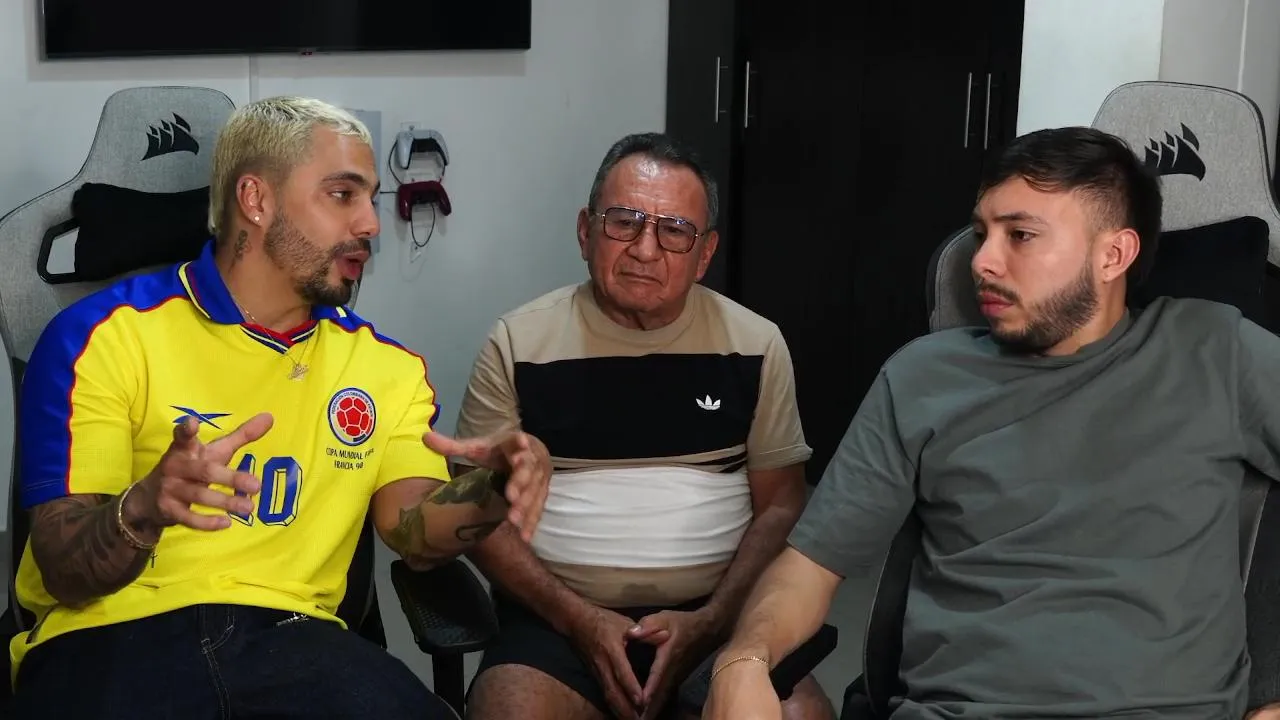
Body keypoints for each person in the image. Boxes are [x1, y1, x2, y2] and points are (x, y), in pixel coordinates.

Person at [702, 125, 1280, 720]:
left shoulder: (1215, 350)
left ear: (1113, 255)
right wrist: (744, 659)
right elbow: (810, 567)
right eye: (981, 234)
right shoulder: (924, 377)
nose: (981, 261)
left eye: (1020, 235)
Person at [8, 96, 553, 719]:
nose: (371, 224)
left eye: (370, 199)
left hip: (301, 645)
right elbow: (64, 570)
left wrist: (493, 486)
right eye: (342, 194)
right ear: (256, 200)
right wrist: (141, 510)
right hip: (111, 640)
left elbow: (416, 534)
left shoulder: (388, 370)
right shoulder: (102, 336)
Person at [451, 132, 834, 720]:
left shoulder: (756, 345)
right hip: (556, 620)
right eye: (624, 223)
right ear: (586, 231)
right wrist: (579, 620)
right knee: (509, 710)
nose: (645, 250)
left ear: (705, 254)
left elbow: (781, 504)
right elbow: (475, 517)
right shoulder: (518, 343)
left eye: (674, 231)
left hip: (719, 615)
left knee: (800, 714)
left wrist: (711, 622)